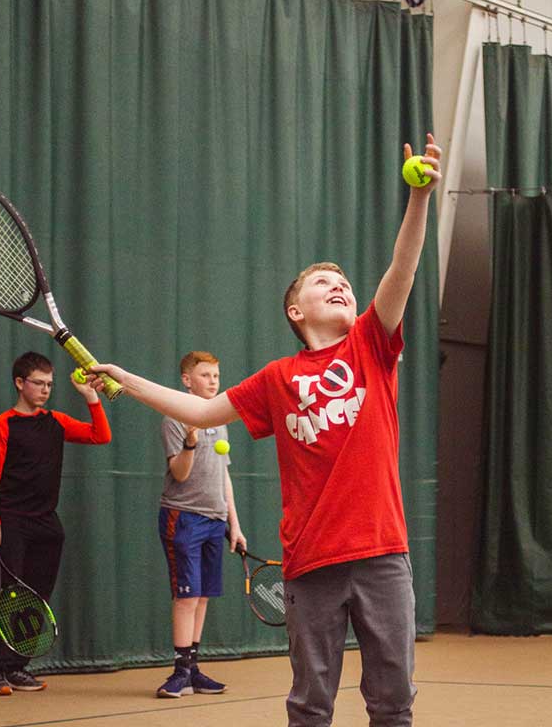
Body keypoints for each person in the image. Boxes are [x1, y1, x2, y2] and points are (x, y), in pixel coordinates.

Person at [88, 134, 441, 727]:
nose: (339, 284)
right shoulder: (277, 378)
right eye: (321, 282)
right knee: (309, 706)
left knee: (393, 703)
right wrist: (126, 380)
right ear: (295, 312)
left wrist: (420, 198)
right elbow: (199, 412)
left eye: (344, 282)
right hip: (310, 560)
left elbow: (401, 271)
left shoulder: (371, 346)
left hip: (383, 553)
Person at [0, 352, 112, 697]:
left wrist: (91, 398)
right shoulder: (2, 424)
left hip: (46, 524)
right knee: (4, 596)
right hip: (10, 523)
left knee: (35, 598)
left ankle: (17, 666)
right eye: (38, 383)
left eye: (50, 384)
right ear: (20, 383)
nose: (45, 390)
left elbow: (101, 436)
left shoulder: (56, 421)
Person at [156, 350, 246, 699]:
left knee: (203, 596)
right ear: (187, 380)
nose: (213, 382)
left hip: (215, 520)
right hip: (183, 517)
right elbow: (180, 474)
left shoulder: (218, 418)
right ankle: (179, 672)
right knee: (187, 597)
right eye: (206, 375)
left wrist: (233, 524)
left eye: (216, 376)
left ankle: (193, 669)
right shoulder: (174, 419)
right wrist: (191, 442)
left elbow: (224, 475)